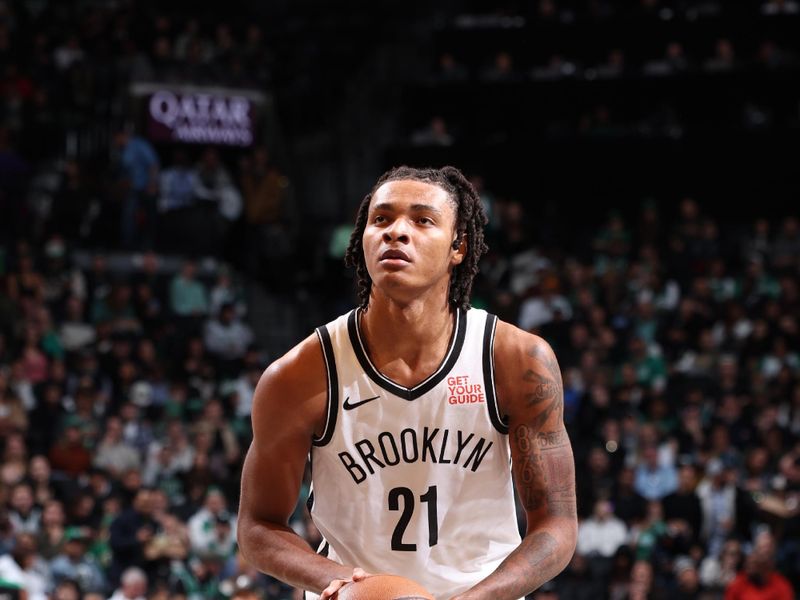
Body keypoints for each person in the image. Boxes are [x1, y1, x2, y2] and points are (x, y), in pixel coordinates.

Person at [237, 166, 577, 599]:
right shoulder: (301, 374)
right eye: (381, 219)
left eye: (422, 220)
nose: (396, 232)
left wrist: (480, 597)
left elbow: (557, 523)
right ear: (361, 240)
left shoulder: (514, 360)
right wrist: (339, 582)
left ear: (459, 247)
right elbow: (258, 526)